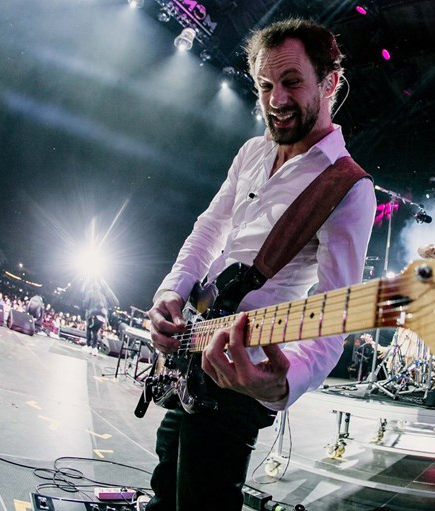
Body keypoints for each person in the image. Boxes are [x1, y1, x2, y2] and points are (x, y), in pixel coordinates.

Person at [146, 18, 375, 511]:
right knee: (166, 486)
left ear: (329, 82)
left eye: (292, 82)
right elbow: (209, 230)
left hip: (241, 375)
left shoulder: (348, 188)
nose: (275, 99)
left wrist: (282, 382)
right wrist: (172, 292)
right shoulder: (251, 151)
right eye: (266, 85)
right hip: (193, 347)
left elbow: (334, 317)